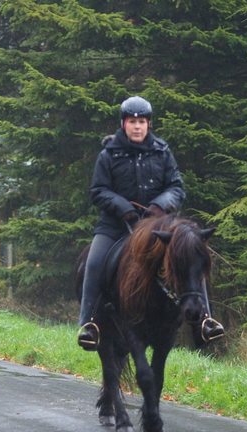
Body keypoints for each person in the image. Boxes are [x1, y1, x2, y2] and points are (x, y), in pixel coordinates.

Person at [77, 96, 185, 350]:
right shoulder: (108, 154)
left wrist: (159, 205)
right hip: (115, 225)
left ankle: (205, 319)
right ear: (124, 124)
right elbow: (98, 190)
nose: (137, 127)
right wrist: (124, 208)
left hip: (158, 225)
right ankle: (89, 323)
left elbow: (176, 187)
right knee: (93, 263)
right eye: (132, 122)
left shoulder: (162, 151)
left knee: (189, 253)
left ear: (148, 124)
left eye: (142, 122)